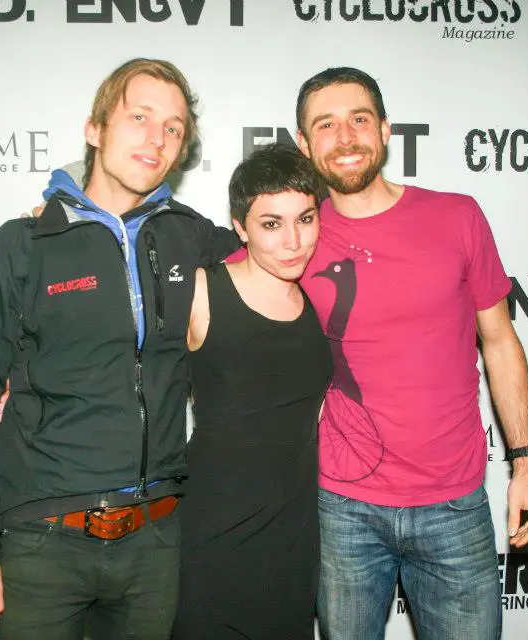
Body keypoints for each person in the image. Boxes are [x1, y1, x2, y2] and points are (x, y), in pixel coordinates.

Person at [0, 58, 238, 640]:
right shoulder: (21, 245)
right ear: (95, 129)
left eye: (173, 127)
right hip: (42, 543)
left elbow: (281, 251)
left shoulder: (191, 235)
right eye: (140, 117)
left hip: (156, 542)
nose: (157, 138)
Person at [293, 67, 528, 639]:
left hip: (454, 505)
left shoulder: (457, 216)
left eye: (359, 119)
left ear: (385, 130)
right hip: (343, 508)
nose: (346, 136)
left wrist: (524, 466)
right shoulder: (296, 237)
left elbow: (501, 342)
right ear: (305, 146)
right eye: (326, 125)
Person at [171, 145, 333, 640]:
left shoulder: (317, 298)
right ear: (240, 227)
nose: (292, 242)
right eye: (271, 224)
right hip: (212, 533)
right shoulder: (202, 291)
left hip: (294, 537)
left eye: (305, 219)